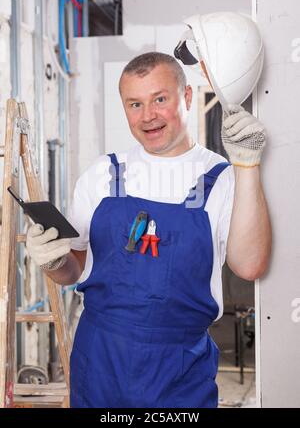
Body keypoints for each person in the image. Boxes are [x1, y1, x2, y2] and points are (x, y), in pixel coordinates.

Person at [26, 52, 271, 408]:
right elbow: (73, 270)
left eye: (160, 99)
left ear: (186, 98)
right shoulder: (103, 175)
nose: (148, 116)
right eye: (135, 104)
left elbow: (250, 265)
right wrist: (51, 261)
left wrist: (248, 166)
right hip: (100, 359)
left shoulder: (222, 178)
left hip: (179, 368)